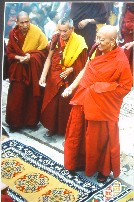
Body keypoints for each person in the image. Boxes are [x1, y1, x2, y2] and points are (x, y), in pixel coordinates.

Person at [62, 25, 133, 183]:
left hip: (102, 105)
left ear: (112, 42)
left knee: (99, 138)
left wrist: (99, 90)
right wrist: (72, 87)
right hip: (83, 97)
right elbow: (86, 69)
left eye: (102, 39)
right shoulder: (95, 49)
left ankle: (102, 168)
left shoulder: (120, 60)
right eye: (97, 37)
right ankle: (77, 162)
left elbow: (126, 86)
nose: (97, 42)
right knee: (77, 131)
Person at [39, 17, 88, 137]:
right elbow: (50, 57)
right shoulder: (56, 38)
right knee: (52, 102)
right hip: (55, 75)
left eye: (65, 31)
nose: (62, 33)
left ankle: (64, 130)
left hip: (70, 79)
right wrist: (43, 75)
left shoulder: (79, 41)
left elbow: (83, 64)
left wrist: (71, 69)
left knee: (65, 104)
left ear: (72, 29)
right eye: (60, 30)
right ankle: (51, 127)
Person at [6, 11, 48, 132]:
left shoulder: (36, 31)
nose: (25, 25)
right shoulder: (13, 33)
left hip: (32, 68)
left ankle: (30, 122)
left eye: (27, 21)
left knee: (31, 96)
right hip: (18, 68)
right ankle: (15, 123)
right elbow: (9, 53)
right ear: (17, 22)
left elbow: (44, 50)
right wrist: (20, 58)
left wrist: (31, 57)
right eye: (22, 22)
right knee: (17, 95)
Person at [118, 3, 134, 75]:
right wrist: (119, 31)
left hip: (131, 35)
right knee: (123, 54)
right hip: (125, 34)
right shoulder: (127, 4)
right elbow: (122, 15)